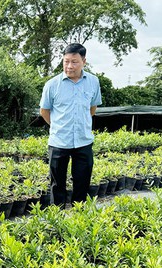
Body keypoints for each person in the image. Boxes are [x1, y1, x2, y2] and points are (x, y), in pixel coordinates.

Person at [39, 43, 102, 207]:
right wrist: (58, 126)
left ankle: (78, 219)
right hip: (59, 141)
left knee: (82, 183)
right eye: (66, 61)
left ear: (84, 62)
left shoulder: (93, 82)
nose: (69, 66)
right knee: (56, 185)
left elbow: (92, 108)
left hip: (83, 141)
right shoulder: (52, 84)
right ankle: (57, 220)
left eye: (74, 62)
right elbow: (44, 111)